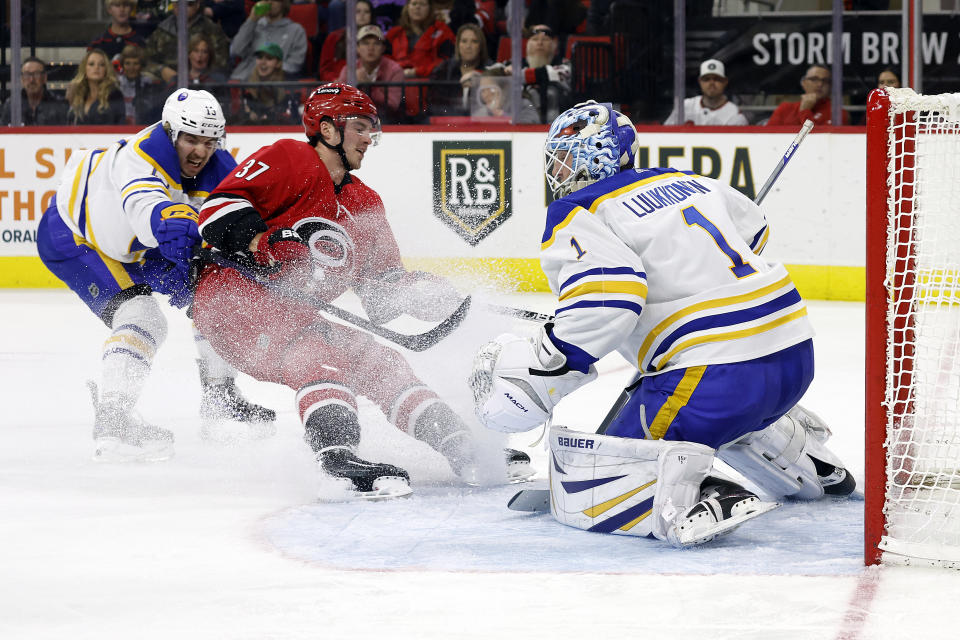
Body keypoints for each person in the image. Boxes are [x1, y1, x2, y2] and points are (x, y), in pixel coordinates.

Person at [469, 100, 855, 547]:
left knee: (593, 478)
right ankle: (810, 462)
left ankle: (705, 493)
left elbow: (608, 301)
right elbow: (754, 230)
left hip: (716, 380)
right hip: (794, 358)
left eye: (569, 157)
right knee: (678, 390)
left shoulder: (580, 210)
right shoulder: (686, 179)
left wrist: (555, 355)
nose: (559, 170)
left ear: (603, 154)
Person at [191, 83, 533, 500]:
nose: (370, 137)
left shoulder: (365, 203)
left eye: (372, 128)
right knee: (317, 353)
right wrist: (263, 245)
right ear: (328, 129)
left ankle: (461, 446)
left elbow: (382, 292)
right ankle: (335, 461)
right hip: (232, 303)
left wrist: (425, 294)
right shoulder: (289, 157)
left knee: (378, 360)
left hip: (293, 316)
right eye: (360, 127)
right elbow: (217, 211)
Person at [36, 88, 276, 462]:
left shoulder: (219, 166)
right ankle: (114, 419)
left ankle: (220, 396)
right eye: (191, 139)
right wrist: (183, 231)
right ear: (170, 132)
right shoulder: (142, 155)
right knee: (142, 318)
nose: (200, 151)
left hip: (136, 246)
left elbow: (253, 217)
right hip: (77, 235)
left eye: (209, 141)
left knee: (216, 294)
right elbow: (151, 219)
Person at [495, 24, 571, 123]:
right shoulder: (513, 64)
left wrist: (519, 75)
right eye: (535, 39)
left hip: (556, 125)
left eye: (545, 39)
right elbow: (492, 73)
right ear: (527, 44)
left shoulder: (564, 63)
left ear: (554, 44)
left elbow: (560, 73)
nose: (540, 43)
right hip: (519, 124)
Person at [144, 0, 231, 85]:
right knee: (146, 78)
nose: (182, 8)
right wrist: (162, 70)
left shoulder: (212, 30)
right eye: (177, 3)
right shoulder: (162, 29)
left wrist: (196, 74)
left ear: (197, 5)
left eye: (189, 4)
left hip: (202, 81)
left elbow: (221, 63)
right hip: (166, 82)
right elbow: (147, 60)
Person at [337, 25, 404, 122]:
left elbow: (392, 105)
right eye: (365, 43)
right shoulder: (349, 69)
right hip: (354, 120)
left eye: (376, 43)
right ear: (358, 48)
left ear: (383, 48)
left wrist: (369, 86)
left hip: (386, 121)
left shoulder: (395, 70)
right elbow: (339, 102)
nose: (371, 48)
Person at [229, 0, 308, 81]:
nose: (269, 2)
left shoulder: (296, 30)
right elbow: (235, 51)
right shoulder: (253, 25)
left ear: (284, 3)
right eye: (266, 0)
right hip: (244, 79)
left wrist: (270, 68)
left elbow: (295, 65)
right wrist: (251, 20)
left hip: (276, 83)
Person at [428, 22, 492, 118]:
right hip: (449, 123)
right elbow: (435, 105)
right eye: (464, 41)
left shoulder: (491, 70)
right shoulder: (444, 70)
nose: (468, 46)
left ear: (481, 46)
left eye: (474, 41)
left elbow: (496, 107)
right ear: (458, 45)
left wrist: (480, 81)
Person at [663, 59, 748, 126]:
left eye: (717, 79)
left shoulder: (735, 115)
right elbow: (664, 134)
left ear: (725, 82)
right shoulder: (685, 106)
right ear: (700, 81)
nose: (711, 83)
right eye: (706, 79)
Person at [384, 0, 454, 79]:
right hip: (396, 83)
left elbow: (446, 61)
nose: (418, 7)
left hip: (431, 83)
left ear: (430, 8)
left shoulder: (443, 31)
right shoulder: (394, 33)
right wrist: (396, 71)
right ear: (407, 7)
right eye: (414, 4)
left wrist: (417, 72)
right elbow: (385, 59)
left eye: (422, 4)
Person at [235, 42, 301, 125]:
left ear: (278, 63)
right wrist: (249, 116)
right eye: (260, 57)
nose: (263, 62)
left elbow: (295, 120)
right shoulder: (246, 86)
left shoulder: (290, 84)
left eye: (269, 58)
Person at [767, 64, 849, 126]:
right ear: (804, 83)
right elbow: (768, 136)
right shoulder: (784, 109)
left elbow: (819, 141)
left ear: (831, 86)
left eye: (825, 81)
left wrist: (805, 111)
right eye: (814, 79)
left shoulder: (838, 114)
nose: (820, 84)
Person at [0, 56, 68, 126]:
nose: (31, 80)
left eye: (36, 74)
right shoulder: (11, 106)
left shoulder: (59, 106)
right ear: (22, 79)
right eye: (27, 74)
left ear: (44, 78)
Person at [317, 0, 374, 82]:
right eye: (357, 11)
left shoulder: (378, 38)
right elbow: (325, 70)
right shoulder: (333, 37)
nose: (362, 15)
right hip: (338, 86)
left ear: (371, 15)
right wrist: (334, 80)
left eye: (366, 12)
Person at [66, 49, 126, 125]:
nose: (96, 67)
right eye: (91, 64)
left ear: (106, 70)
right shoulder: (78, 95)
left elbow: (120, 126)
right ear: (85, 68)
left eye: (101, 64)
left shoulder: (115, 95)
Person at [116, 45, 164, 124]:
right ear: (122, 65)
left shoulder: (148, 82)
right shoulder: (117, 83)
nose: (131, 68)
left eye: (135, 63)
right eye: (127, 63)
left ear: (141, 65)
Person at [472, 71, 539, 123]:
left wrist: (504, 116)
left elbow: (533, 127)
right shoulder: (480, 114)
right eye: (483, 90)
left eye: (490, 89)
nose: (486, 95)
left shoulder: (522, 105)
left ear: (504, 89)